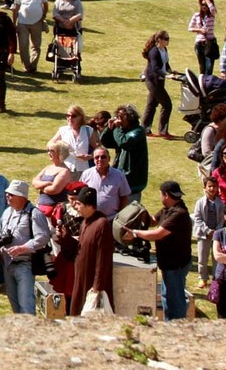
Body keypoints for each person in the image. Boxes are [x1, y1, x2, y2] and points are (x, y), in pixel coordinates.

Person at [127, 180, 195, 321]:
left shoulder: (179, 214)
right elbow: (153, 221)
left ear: (166, 195)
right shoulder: (167, 210)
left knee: (175, 302)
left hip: (176, 265)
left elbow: (158, 234)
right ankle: (169, 324)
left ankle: (177, 326)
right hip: (169, 264)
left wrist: (135, 233)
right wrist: (140, 213)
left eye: (160, 194)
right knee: (167, 299)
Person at [0, 178, 51, 315]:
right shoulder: (7, 212)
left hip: (25, 265)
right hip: (7, 264)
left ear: (21, 197)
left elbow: (43, 237)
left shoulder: (34, 214)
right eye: (7, 194)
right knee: (14, 302)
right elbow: (0, 231)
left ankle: (29, 327)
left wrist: (23, 248)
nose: (7, 196)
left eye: (11, 194)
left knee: (26, 305)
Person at [71, 186, 115, 314]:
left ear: (89, 206)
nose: (76, 207)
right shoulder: (84, 223)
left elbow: (103, 258)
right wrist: (64, 238)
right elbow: (81, 248)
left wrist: (97, 287)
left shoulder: (102, 224)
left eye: (79, 204)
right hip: (81, 278)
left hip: (92, 283)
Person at [100, 104, 149, 198]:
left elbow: (124, 142)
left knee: (130, 207)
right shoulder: (121, 132)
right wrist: (109, 129)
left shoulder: (138, 131)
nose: (119, 120)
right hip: (120, 177)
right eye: (117, 117)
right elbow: (106, 142)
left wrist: (117, 128)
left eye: (121, 117)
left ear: (130, 118)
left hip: (133, 181)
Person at [142, 31, 174, 138]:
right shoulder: (154, 52)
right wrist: (166, 75)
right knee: (167, 105)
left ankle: (145, 129)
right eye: (166, 39)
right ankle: (163, 131)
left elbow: (165, 63)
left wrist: (171, 71)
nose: (168, 41)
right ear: (159, 39)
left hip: (159, 81)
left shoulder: (164, 50)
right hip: (153, 81)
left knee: (151, 105)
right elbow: (155, 68)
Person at [13, 0, 47, 73]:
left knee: (36, 46)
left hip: (37, 22)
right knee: (23, 45)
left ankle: (33, 65)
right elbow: (16, 8)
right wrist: (14, 23)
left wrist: (43, 16)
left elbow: (45, 4)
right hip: (22, 23)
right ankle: (27, 66)